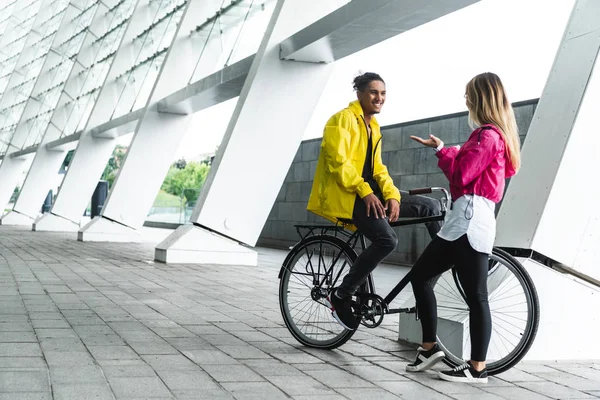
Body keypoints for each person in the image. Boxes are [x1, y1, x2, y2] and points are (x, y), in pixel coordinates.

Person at [405, 72, 520, 383]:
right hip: (467, 220)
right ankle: (431, 349)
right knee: (423, 277)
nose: (466, 99)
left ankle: (476, 367)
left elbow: (462, 175)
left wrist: (445, 154)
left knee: (475, 296)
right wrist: (444, 148)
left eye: (470, 94)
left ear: (481, 98)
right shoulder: (494, 136)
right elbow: (467, 166)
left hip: (468, 221)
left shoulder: (487, 135)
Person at [307, 72, 442, 331]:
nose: (379, 98)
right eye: (373, 92)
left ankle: (446, 260)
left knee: (431, 207)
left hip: (371, 194)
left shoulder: (374, 126)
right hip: (350, 195)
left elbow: (378, 169)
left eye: (383, 93)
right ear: (358, 93)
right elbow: (339, 163)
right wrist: (365, 191)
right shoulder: (342, 120)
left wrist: (391, 195)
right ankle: (341, 294)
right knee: (387, 239)